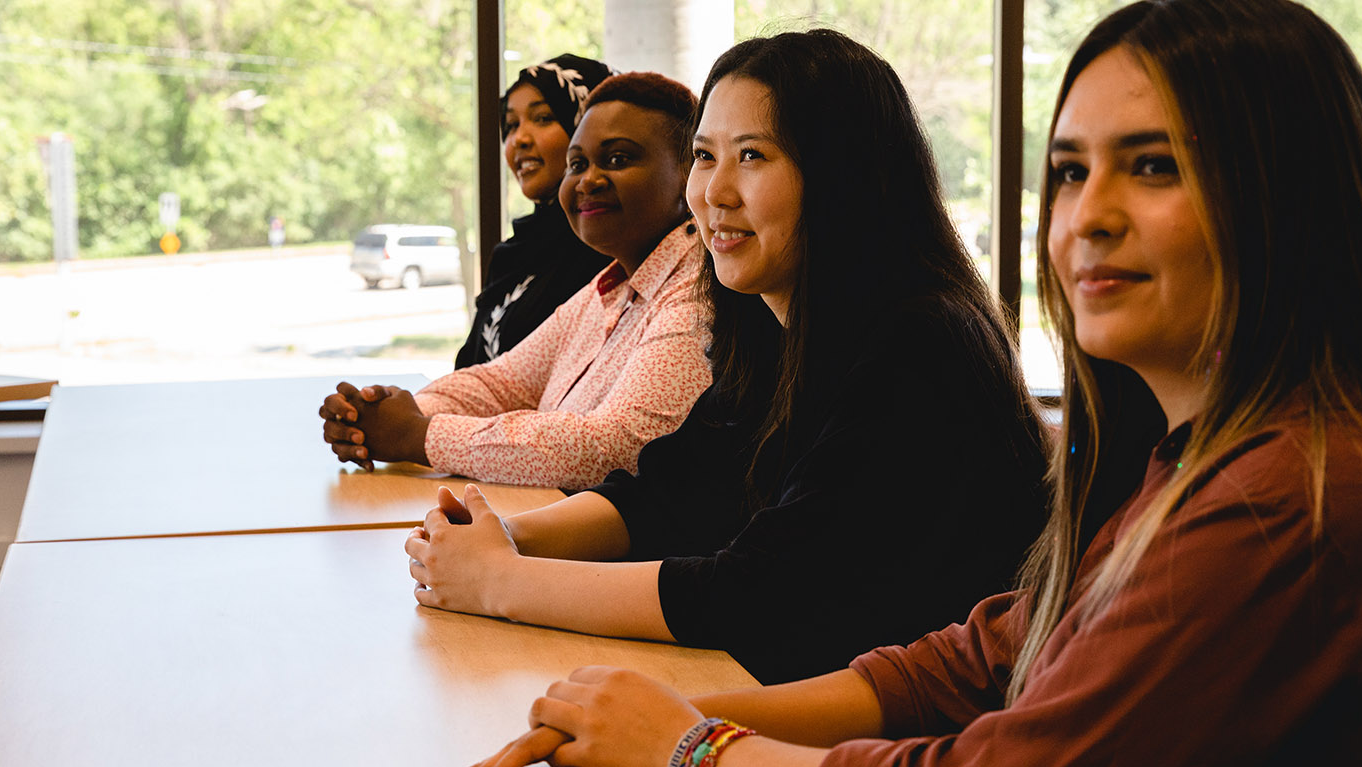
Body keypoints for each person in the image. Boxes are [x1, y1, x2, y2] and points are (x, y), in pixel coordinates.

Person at [438, 3, 1362, 767]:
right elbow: (987, 654)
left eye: (1154, 165)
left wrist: (692, 754)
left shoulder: (1290, 500)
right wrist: (662, 723)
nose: (1088, 216)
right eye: (1072, 170)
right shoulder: (1215, 454)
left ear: (1290, 204)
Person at [402, 29, 1049, 687]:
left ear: (843, 173)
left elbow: (764, 596)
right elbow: (672, 494)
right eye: (705, 157)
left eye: (753, 156)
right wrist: (506, 540)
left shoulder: (920, 345)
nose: (715, 192)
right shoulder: (770, 324)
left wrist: (504, 581)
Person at [320, 73, 711, 491]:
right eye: (576, 165)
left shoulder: (697, 292)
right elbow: (502, 382)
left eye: (617, 159)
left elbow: (616, 450)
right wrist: (378, 416)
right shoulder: (612, 285)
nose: (588, 180)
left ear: (690, 170)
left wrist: (420, 435)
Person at [455, 55, 618, 369]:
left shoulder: (607, 252)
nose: (520, 139)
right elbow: (471, 368)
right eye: (511, 125)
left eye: (543, 118)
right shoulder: (512, 255)